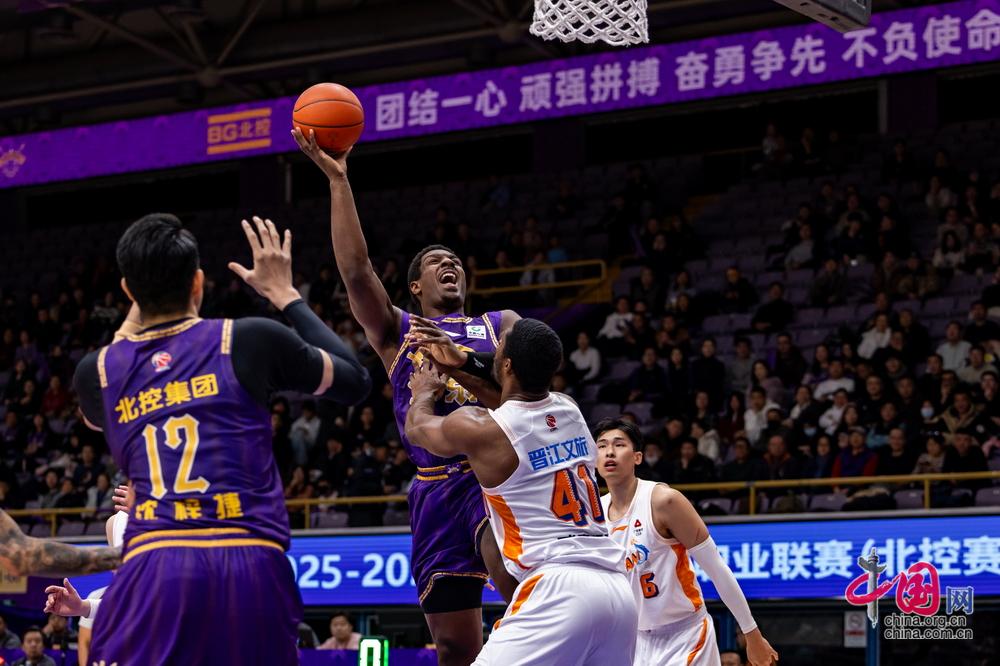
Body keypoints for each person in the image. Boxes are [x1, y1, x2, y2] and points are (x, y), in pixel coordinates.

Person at [71, 214, 371, 665]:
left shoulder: (98, 371)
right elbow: (355, 382)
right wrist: (285, 294)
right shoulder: (246, 339)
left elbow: (114, 372)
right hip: (247, 556)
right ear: (198, 282)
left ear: (128, 291)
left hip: (156, 564)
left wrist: (138, 302)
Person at [296, 129, 520, 663]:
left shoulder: (500, 324)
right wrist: (339, 180)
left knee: (514, 580)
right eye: (436, 262)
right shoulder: (400, 332)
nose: (449, 264)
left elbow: (528, 397)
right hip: (433, 491)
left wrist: (463, 366)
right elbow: (356, 272)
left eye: (455, 261)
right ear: (416, 287)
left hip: (489, 474)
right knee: (455, 646)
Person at [405, 319, 637, 665]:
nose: (493, 350)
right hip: (617, 592)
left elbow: (417, 429)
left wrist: (424, 390)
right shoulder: (568, 409)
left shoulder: (483, 429)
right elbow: (511, 406)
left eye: (498, 347)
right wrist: (458, 367)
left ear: (508, 365)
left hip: (557, 589)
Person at [596, 418, 778, 666]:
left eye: (619, 445)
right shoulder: (594, 515)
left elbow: (717, 569)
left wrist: (751, 633)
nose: (609, 452)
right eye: (602, 445)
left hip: (686, 635)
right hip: (635, 641)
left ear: (637, 457)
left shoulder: (664, 501)